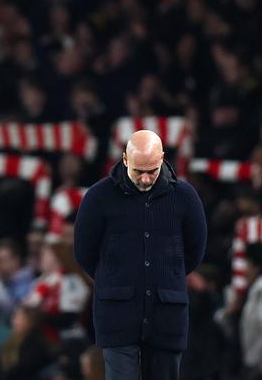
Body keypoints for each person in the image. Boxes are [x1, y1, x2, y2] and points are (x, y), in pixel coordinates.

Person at [74, 130, 207, 380]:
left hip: (166, 314)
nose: (145, 179)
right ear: (125, 159)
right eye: (138, 171)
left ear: (162, 158)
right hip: (117, 314)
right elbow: (84, 252)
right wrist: (113, 277)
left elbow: (195, 251)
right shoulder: (98, 197)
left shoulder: (185, 197)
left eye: (152, 171)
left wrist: (164, 274)